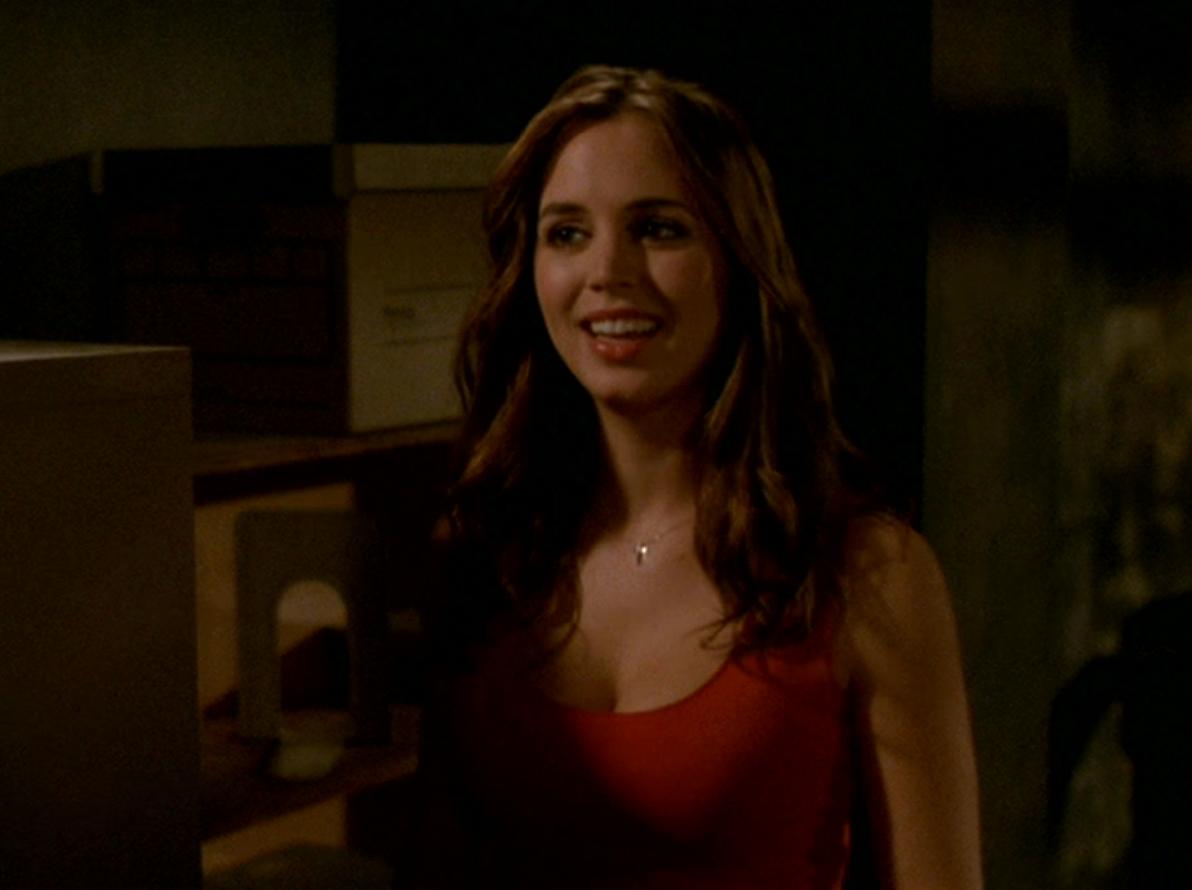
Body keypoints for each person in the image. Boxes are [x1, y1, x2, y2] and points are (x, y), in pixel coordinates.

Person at [413, 64, 982, 889]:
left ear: (738, 258)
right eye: (567, 233)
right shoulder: (483, 551)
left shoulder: (868, 573)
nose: (608, 271)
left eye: (657, 228)